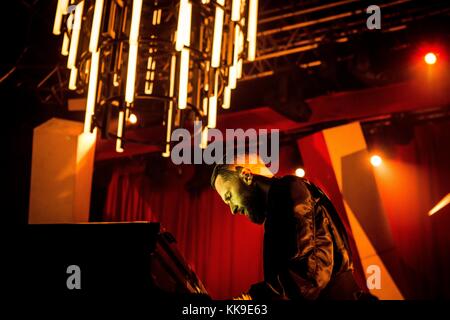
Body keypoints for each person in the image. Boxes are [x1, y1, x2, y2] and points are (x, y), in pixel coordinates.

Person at [210, 162, 374, 300]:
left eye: (229, 196)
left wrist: (252, 299)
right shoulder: (282, 199)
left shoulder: (287, 190)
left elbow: (310, 275)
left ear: (246, 175)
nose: (232, 210)